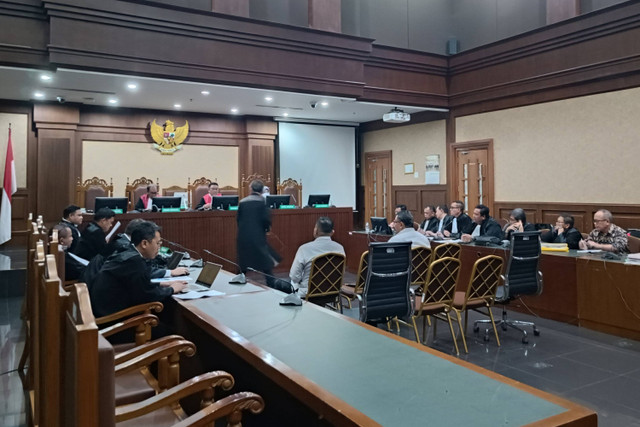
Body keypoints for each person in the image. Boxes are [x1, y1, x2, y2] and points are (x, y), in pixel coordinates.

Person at [90, 221, 187, 319]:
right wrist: (172, 289)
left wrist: (161, 284)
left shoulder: (129, 252)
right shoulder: (134, 261)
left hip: (104, 310)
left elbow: (136, 285)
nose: (159, 247)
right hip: (112, 319)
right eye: (157, 243)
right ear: (144, 243)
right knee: (169, 326)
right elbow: (146, 295)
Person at [289, 216, 346, 297]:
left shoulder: (304, 249)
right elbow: (341, 273)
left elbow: (294, 277)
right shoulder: (340, 248)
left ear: (315, 231)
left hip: (307, 294)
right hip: (332, 292)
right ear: (332, 232)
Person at [236, 180, 279, 285]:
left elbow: (238, 219)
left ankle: (239, 278)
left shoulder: (242, 202)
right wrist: (266, 229)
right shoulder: (263, 202)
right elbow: (266, 219)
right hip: (258, 235)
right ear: (261, 190)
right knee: (265, 259)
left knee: (244, 259)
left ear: (250, 189)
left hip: (243, 235)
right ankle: (270, 282)